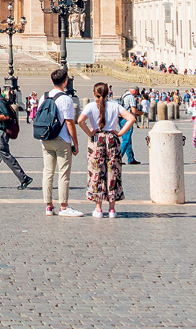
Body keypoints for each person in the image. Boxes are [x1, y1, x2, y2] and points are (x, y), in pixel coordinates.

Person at [78, 82, 133, 218]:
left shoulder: (90, 106)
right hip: (112, 139)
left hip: (97, 139)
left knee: (96, 171)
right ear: (108, 93)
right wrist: (120, 133)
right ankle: (112, 209)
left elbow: (80, 121)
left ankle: (98, 208)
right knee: (112, 172)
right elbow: (131, 118)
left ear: (94, 94)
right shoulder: (115, 105)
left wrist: (90, 134)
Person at [36, 67, 82, 217]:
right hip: (62, 139)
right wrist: (75, 143)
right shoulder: (66, 99)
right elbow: (70, 124)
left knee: (47, 172)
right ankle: (64, 206)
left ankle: (48, 206)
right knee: (63, 174)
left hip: (46, 138)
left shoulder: (43, 97)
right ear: (66, 81)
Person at [119, 88, 140, 164]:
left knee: (128, 139)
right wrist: (140, 113)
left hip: (121, 119)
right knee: (126, 139)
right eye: (137, 92)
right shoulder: (131, 97)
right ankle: (118, 158)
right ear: (135, 91)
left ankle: (131, 158)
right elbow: (133, 110)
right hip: (127, 119)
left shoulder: (124, 95)